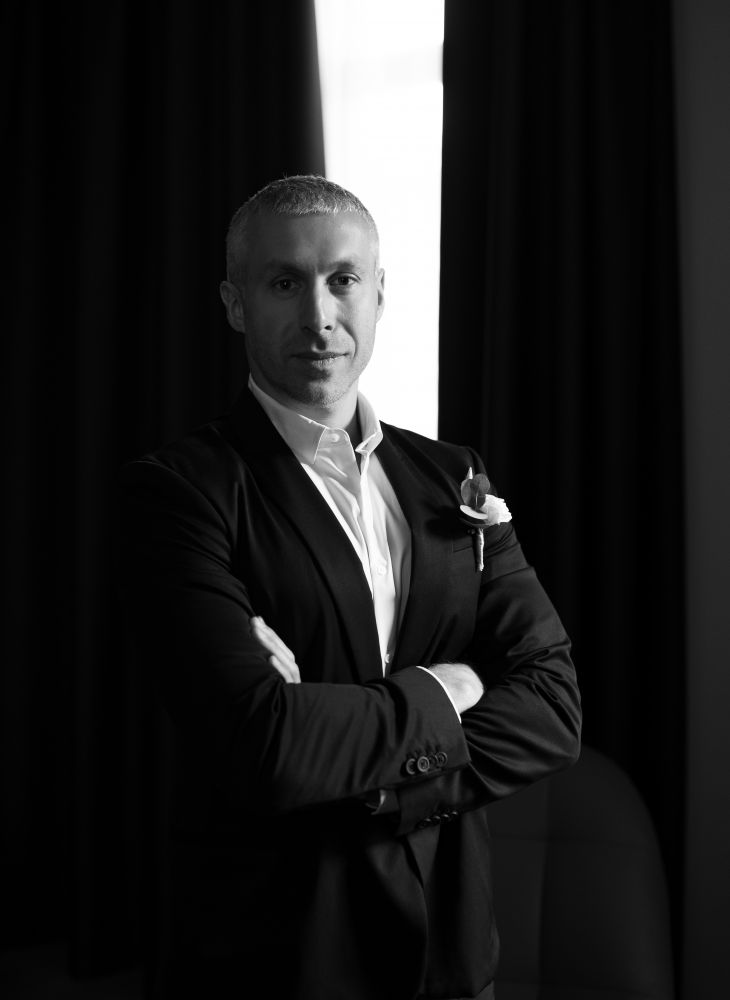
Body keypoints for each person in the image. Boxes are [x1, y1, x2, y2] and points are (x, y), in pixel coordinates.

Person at [120, 175, 581, 1000]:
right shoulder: (180, 491)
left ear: (379, 293)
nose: (319, 315)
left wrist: (345, 748)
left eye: (342, 279)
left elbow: (553, 710)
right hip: (276, 957)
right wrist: (451, 686)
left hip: (451, 950)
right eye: (284, 283)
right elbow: (264, 745)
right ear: (235, 303)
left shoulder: (453, 475)